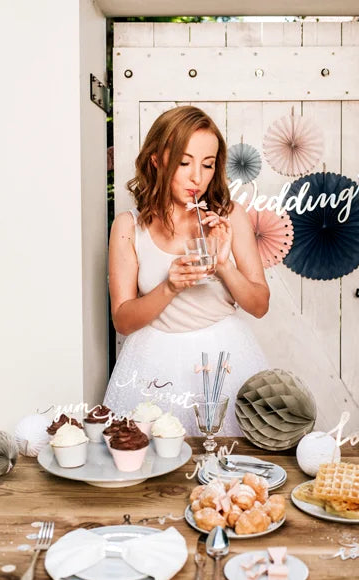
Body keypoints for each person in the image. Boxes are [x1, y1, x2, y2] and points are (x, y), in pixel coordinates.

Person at [103, 106, 269, 436]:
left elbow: (260, 305)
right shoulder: (128, 226)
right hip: (154, 363)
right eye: (184, 162)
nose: (198, 177)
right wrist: (170, 286)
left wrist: (221, 265)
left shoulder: (230, 216)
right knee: (152, 465)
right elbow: (122, 320)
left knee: (228, 465)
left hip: (225, 357)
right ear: (156, 160)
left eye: (208, 165)